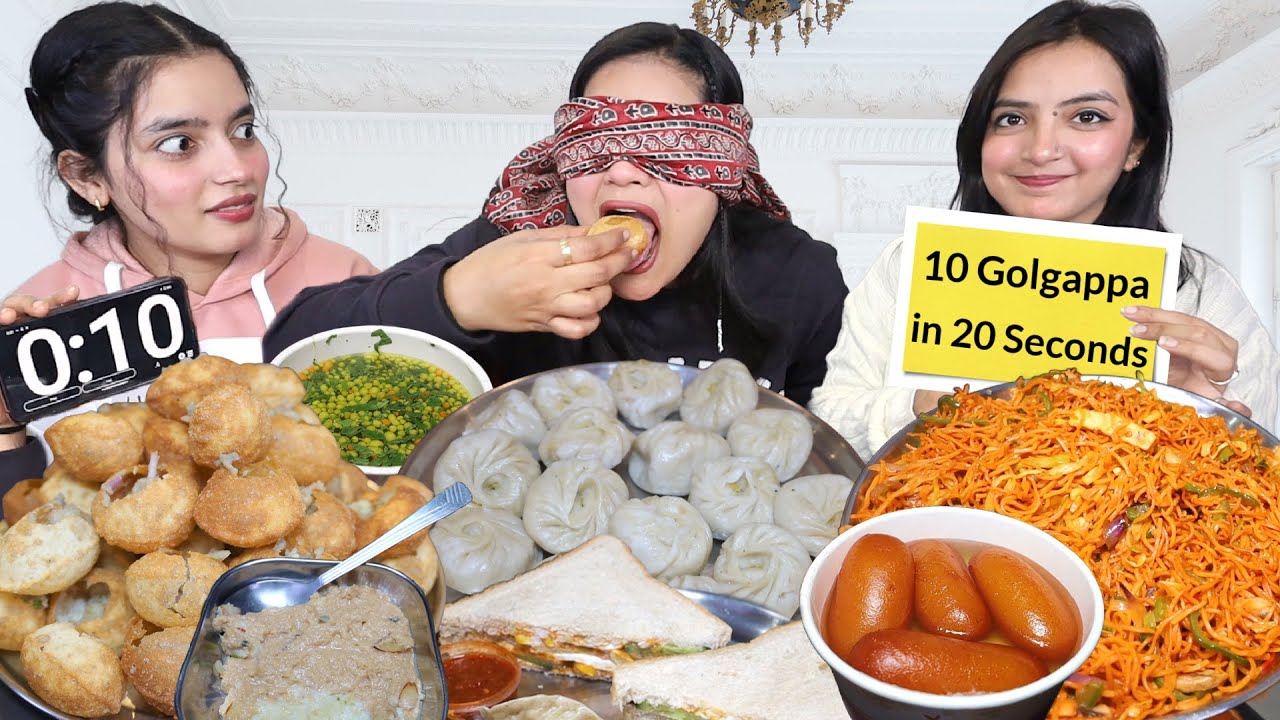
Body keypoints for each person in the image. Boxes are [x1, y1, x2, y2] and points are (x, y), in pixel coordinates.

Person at [263, 23, 848, 406]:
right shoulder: (519, 243)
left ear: (722, 168)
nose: (621, 172)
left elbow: (829, 433)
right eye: (594, 143)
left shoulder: (798, 276)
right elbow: (291, 344)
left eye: (665, 147)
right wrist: (460, 298)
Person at [809, 0, 1280, 460]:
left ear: (1136, 145)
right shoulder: (908, 267)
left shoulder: (1201, 296)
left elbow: (1249, 495)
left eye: (1087, 117)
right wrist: (922, 404)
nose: (1041, 148)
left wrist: (1206, 420)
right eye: (1012, 119)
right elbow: (829, 431)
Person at [0, 2, 377, 487]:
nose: (238, 169)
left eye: (243, 131)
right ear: (87, 176)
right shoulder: (38, 327)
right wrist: (4, 425)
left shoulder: (347, 280)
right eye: (178, 143)